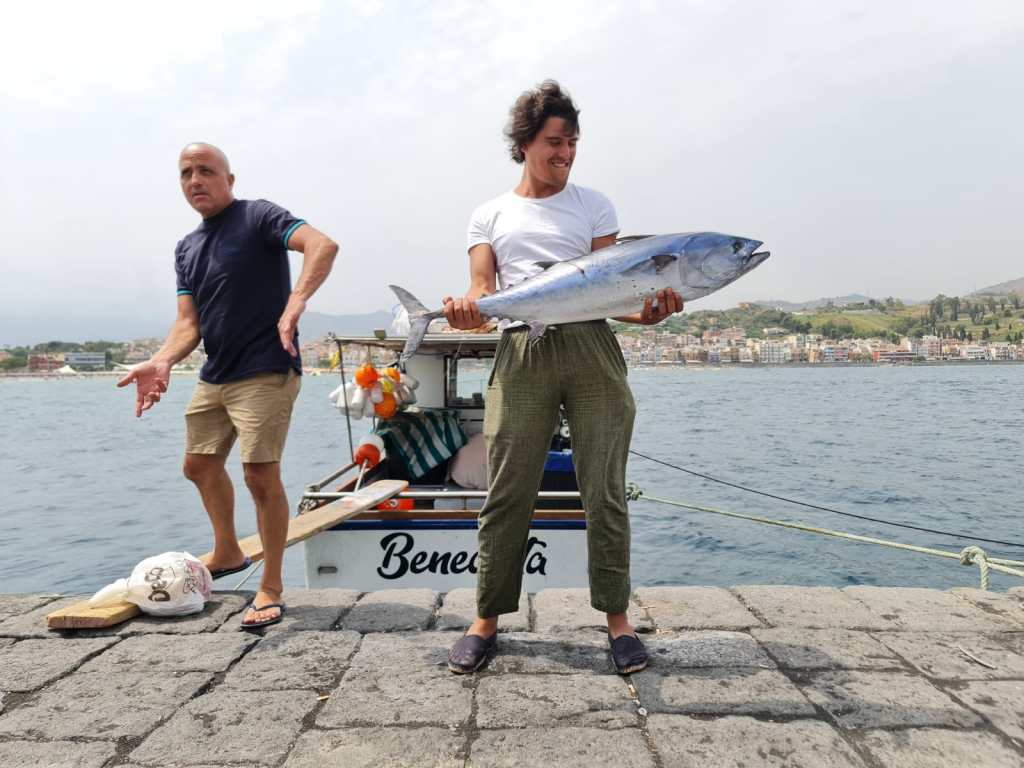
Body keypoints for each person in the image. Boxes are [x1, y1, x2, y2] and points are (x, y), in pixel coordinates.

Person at [443, 81, 683, 674]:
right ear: (524, 143)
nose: (566, 153)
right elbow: (483, 291)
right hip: (521, 347)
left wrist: (648, 311)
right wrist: (469, 310)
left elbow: (608, 289)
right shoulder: (489, 214)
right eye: (555, 142)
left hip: (590, 345)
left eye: (573, 143)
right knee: (507, 490)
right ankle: (486, 618)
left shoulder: (594, 206)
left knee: (603, 486)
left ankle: (618, 622)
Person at [118, 142, 339, 630]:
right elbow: (187, 323)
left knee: (260, 475)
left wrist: (296, 301)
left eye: (205, 171)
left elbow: (322, 245)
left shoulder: (257, 216)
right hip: (217, 371)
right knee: (197, 465)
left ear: (229, 179)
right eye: (185, 173)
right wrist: (159, 361)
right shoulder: (187, 247)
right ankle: (228, 550)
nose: (195, 180)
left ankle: (272, 586)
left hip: (266, 368)